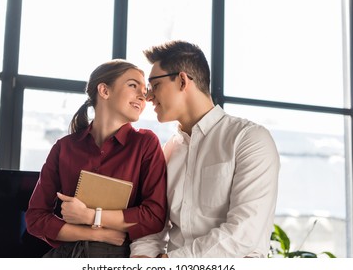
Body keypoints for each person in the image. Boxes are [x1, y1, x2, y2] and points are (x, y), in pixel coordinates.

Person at [130, 40, 280, 258]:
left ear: (182, 81)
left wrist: (171, 263)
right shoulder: (169, 150)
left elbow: (245, 232)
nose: (148, 96)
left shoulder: (249, 139)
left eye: (155, 85)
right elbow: (153, 225)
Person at [25, 59, 167, 258]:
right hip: (67, 253)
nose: (142, 96)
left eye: (144, 91)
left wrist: (91, 216)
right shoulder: (64, 147)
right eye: (133, 85)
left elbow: (154, 216)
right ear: (104, 91)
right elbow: (35, 218)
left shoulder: (145, 143)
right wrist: (97, 233)